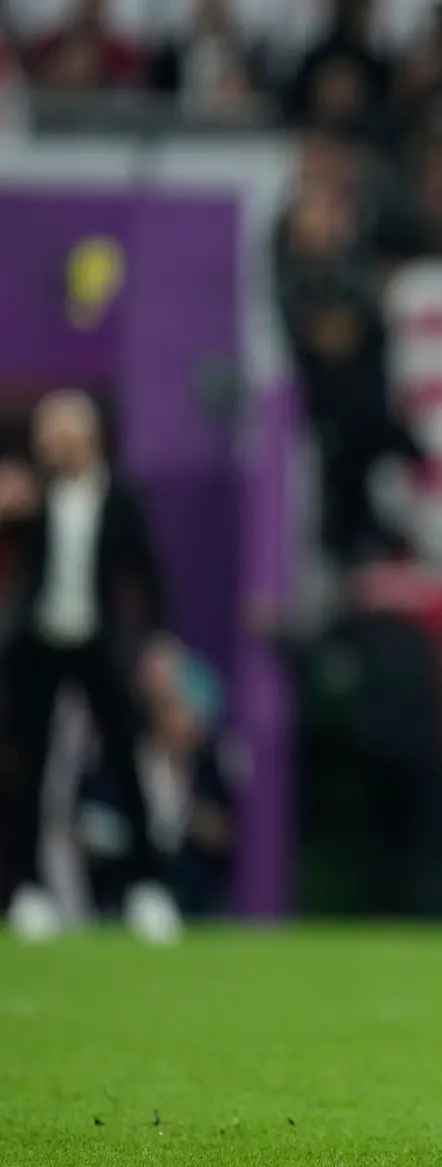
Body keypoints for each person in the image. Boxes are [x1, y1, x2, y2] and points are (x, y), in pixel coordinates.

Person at [0, 390, 180, 944]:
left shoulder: (120, 498)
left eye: (65, 432)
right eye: (48, 433)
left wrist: (156, 644)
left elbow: (150, 577)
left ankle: (146, 887)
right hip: (38, 644)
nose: (56, 442)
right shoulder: (29, 495)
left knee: (126, 760)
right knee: (28, 768)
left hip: (98, 645)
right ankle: (26, 890)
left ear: (91, 435)